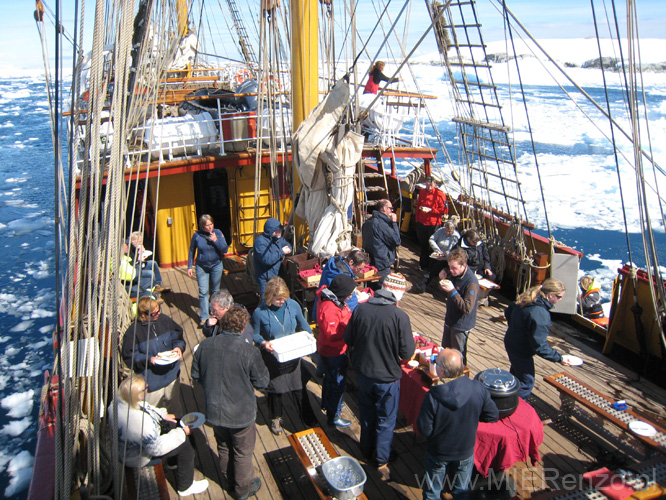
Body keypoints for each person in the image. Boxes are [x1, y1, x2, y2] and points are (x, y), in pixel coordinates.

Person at [192, 306, 269, 500]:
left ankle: (228, 480)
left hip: (214, 410)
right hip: (241, 413)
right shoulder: (249, 351)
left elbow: (196, 376)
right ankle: (242, 489)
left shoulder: (204, 346)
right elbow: (262, 382)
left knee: (224, 446)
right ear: (243, 327)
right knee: (242, 452)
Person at [344, 272, 415, 481]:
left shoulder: (361, 310)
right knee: (386, 419)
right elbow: (407, 353)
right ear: (397, 295)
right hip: (387, 379)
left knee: (366, 414)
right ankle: (381, 459)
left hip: (363, 374)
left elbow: (348, 338)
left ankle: (366, 450)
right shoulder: (400, 317)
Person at [417, 349, 499, 500]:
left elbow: (425, 429)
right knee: (461, 491)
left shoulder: (432, 397)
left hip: (439, 451)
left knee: (432, 492)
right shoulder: (477, 388)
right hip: (465, 450)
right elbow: (492, 415)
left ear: (441, 370)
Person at [111, 375, 209, 497]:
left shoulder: (119, 402)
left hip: (135, 445)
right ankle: (186, 486)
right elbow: (157, 448)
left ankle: (173, 463)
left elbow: (145, 406)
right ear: (137, 394)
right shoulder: (140, 424)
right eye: (144, 388)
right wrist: (182, 433)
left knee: (177, 423)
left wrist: (163, 415)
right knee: (186, 446)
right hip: (140, 456)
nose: (147, 387)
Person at [252, 277, 312, 435]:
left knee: (299, 387)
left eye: (284, 298)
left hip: (293, 353)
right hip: (273, 356)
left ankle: (308, 418)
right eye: (279, 299)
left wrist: (310, 335)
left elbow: (303, 324)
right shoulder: (260, 313)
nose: (282, 301)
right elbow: (255, 335)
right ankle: (276, 417)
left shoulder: (293, 305)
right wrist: (264, 343)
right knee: (276, 389)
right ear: (270, 297)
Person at [504, 278, 572, 399]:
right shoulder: (540, 314)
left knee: (516, 374)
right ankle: (517, 410)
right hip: (521, 350)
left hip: (512, 341)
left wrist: (516, 327)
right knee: (526, 383)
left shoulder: (526, 298)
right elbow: (539, 345)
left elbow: (508, 311)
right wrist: (559, 358)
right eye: (559, 297)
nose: (560, 300)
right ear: (550, 295)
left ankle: (507, 400)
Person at [122, 297, 185, 413]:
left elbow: (178, 337)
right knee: (154, 412)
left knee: (175, 409)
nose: (158, 314)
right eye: (154, 313)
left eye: (159, 310)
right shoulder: (133, 333)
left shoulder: (165, 320)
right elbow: (129, 356)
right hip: (152, 382)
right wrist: (148, 359)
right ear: (143, 315)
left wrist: (178, 347)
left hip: (171, 376)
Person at [316, 274, 357, 428]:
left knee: (330, 379)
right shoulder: (330, 309)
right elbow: (332, 334)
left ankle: (327, 404)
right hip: (334, 351)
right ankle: (334, 415)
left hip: (329, 349)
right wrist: (350, 331)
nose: (351, 296)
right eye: (349, 294)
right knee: (337, 384)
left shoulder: (329, 297)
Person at [439, 248, 479, 366]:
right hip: (450, 319)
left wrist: (452, 291)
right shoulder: (454, 273)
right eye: (450, 267)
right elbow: (450, 279)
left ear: (463, 265)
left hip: (460, 325)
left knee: (458, 356)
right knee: (445, 351)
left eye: (454, 268)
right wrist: (444, 273)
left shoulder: (471, 283)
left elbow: (467, 308)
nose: (451, 270)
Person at [187, 214, 229, 324]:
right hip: (202, 266)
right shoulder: (196, 235)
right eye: (207, 225)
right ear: (202, 226)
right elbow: (192, 250)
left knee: (215, 291)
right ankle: (204, 316)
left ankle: (213, 312)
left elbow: (224, 249)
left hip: (216, 265)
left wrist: (216, 240)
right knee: (203, 292)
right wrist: (189, 266)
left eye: (211, 224)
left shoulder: (218, 233)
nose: (210, 227)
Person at [313, 249, 370, 316]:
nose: (359, 271)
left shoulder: (334, 262)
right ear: (351, 262)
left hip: (320, 308)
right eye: (359, 268)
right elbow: (350, 302)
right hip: (331, 315)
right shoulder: (342, 277)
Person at [361, 199, 401, 284]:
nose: (392, 210)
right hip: (381, 263)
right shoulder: (381, 225)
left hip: (370, 261)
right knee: (382, 288)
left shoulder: (368, 222)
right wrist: (394, 223)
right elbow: (396, 241)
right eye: (390, 208)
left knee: (371, 287)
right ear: (384, 209)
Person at [413, 175, 448, 273]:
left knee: (434, 246)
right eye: (427, 183)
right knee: (423, 245)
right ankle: (423, 265)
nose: (428, 185)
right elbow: (419, 204)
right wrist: (417, 219)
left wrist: (431, 210)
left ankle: (432, 267)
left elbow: (445, 210)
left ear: (435, 184)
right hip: (422, 222)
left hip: (433, 223)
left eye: (431, 184)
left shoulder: (440, 194)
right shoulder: (423, 192)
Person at [253, 218, 292, 300]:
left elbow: (288, 245)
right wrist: (281, 251)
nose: (280, 231)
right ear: (270, 231)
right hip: (265, 279)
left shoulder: (279, 239)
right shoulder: (260, 242)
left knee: (281, 298)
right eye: (277, 230)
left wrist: (288, 248)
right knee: (267, 300)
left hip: (277, 275)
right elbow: (267, 259)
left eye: (280, 229)